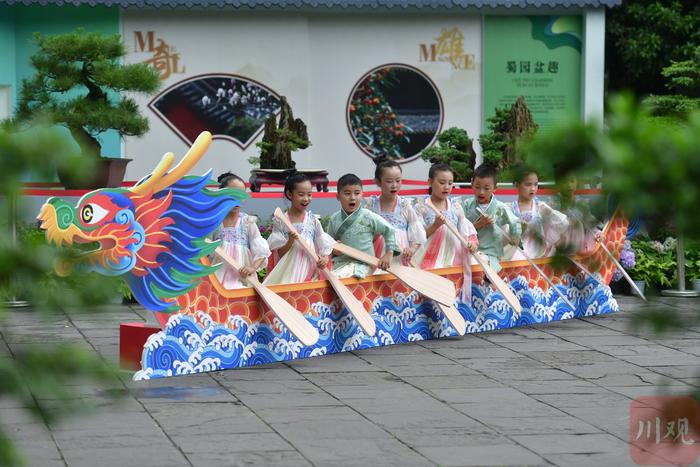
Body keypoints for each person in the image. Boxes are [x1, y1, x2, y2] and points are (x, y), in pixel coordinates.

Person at [414, 163, 478, 302]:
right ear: (430, 182)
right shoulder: (421, 207)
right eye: (442, 182)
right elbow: (417, 237)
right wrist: (435, 226)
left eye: (450, 183)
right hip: (429, 256)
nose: (447, 187)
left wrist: (471, 243)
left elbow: (465, 231)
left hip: (454, 254)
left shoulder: (456, 207)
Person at [263, 173, 334, 284]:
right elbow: (280, 254)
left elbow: (323, 246)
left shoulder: (313, 220)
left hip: (309, 269)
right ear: (289, 194)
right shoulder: (281, 221)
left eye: (309, 194)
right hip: (289, 271)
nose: (306, 199)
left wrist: (324, 259)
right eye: (301, 194)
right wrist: (290, 241)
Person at [326, 173, 399, 279]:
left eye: (357, 193)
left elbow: (389, 230)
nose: (352, 198)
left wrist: (389, 253)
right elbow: (328, 243)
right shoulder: (334, 219)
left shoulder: (368, 216)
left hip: (363, 264)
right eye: (347, 193)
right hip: (339, 263)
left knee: (342, 277)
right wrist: (334, 249)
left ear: (362, 194)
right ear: (338, 197)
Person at [211, 172, 270, 289]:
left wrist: (252, 268)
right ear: (221, 194)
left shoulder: (247, 222)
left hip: (242, 278)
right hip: (217, 277)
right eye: (232, 195)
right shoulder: (214, 222)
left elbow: (261, 251)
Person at [365, 159, 426, 264]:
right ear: (378, 182)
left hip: (400, 259)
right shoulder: (371, 207)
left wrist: (411, 249)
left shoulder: (405, 206)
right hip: (376, 259)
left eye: (398, 181)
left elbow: (417, 234)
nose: (394, 185)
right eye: (389, 181)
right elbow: (363, 235)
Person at [463, 164, 521, 272]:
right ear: (472, 184)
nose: (481, 192)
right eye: (477, 187)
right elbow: (460, 228)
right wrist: (478, 225)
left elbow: (515, 222)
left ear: (495, 188)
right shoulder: (466, 205)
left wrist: (515, 237)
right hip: (469, 249)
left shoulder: (500, 207)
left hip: (492, 252)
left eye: (486, 188)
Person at [509, 167, 569, 259]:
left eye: (535, 184)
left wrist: (549, 213)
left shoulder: (540, 207)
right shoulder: (510, 208)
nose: (533, 188)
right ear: (517, 185)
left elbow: (563, 224)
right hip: (518, 253)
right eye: (528, 184)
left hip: (539, 253)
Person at [551, 167, 603, 254]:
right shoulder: (554, 203)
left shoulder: (581, 203)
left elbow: (589, 221)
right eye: (564, 182)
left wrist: (597, 232)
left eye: (572, 181)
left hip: (579, 245)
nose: (569, 185)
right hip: (560, 246)